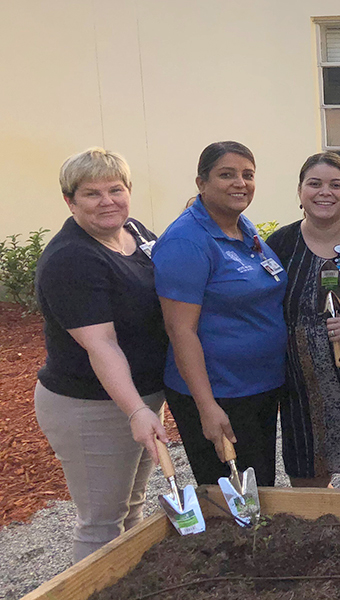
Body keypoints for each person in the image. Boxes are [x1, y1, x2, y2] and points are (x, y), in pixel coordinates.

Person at [33, 148, 168, 561]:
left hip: (139, 396)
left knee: (131, 509)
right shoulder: (71, 259)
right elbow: (101, 343)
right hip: (90, 405)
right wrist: (135, 411)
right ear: (69, 201)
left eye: (116, 189)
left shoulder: (135, 233)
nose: (108, 200)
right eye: (92, 194)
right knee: (101, 523)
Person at [153, 141, 284, 487]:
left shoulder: (243, 228)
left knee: (262, 489)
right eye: (226, 175)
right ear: (201, 183)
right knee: (230, 500)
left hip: (258, 387)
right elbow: (180, 329)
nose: (240, 183)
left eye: (247, 175)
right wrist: (206, 407)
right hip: (219, 391)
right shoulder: (187, 242)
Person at [266, 152, 340, 487]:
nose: (325, 192)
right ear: (300, 191)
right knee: (307, 479)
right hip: (298, 388)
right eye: (315, 184)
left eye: (336, 185)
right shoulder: (279, 245)